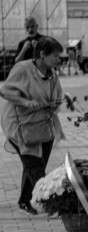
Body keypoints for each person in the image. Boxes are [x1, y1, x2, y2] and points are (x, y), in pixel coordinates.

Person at [0, 37, 65, 215]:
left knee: (37, 164)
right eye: (55, 56)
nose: (58, 59)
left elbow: (57, 95)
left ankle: (24, 200)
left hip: (42, 126)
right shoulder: (23, 69)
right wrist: (25, 102)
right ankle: (52, 204)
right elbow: (5, 91)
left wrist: (55, 102)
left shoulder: (52, 74)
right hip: (20, 125)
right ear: (42, 55)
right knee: (35, 166)